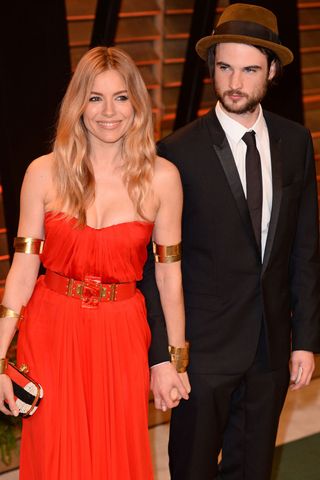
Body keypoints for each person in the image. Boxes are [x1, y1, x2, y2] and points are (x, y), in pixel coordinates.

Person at [140, 3, 320, 480]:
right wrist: (162, 354)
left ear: (273, 70)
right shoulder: (175, 153)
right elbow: (151, 266)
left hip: (269, 351)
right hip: (201, 354)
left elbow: (305, 248)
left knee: (253, 471)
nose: (234, 82)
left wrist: (304, 339)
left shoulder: (296, 142)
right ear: (212, 68)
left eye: (249, 69)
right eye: (224, 67)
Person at [0, 46, 190, 480]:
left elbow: (168, 276)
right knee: (54, 454)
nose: (109, 111)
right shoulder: (43, 173)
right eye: (95, 97)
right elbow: (24, 269)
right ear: (78, 105)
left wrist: (175, 361)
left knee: (116, 454)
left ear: (137, 105)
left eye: (121, 97)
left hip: (121, 333)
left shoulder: (163, 178)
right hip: (50, 329)